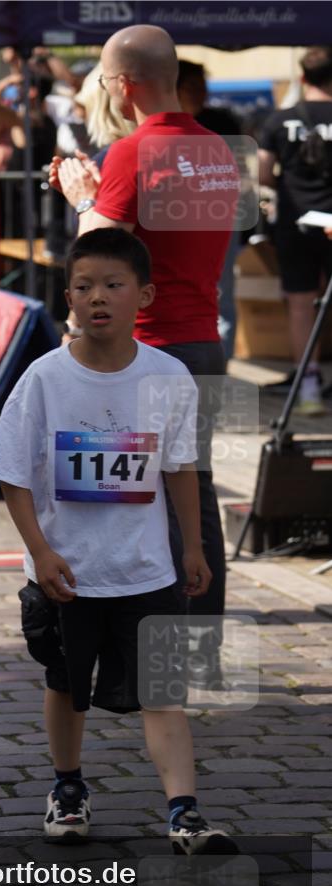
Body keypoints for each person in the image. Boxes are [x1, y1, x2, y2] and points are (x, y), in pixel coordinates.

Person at [0, 228, 234, 853]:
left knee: (163, 694)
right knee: (66, 685)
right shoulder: (43, 378)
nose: (98, 298)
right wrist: (40, 552)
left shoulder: (168, 375)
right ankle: (68, 788)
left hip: (146, 571)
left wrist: (193, 549)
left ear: (142, 295)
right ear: (68, 296)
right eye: (84, 286)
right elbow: (10, 473)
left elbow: (181, 467)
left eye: (113, 285)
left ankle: (184, 811)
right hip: (67, 573)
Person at [49, 26, 238, 687]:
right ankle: (194, 650)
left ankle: (129, 648)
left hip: (148, 350)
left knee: (122, 494)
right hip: (203, 341)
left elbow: (98, 255)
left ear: (123, 84)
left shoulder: (135, 150)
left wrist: (82, 199)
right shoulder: (215, 147)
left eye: (103, 81)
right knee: (194, 494)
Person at [259, 46, 332, 415]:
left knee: (300, 304)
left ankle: (308, 386)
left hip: (296, 221)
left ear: (302, 78)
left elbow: (261, 172)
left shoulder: (279, 120)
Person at [177, 60, 244, 361]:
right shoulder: (158, 126)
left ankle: (219, 371)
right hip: (175, 225)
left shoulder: (222, 123)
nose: (201, 94)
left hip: (218, 222)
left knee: (220, 298)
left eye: (203, 87)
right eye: (193, 88)